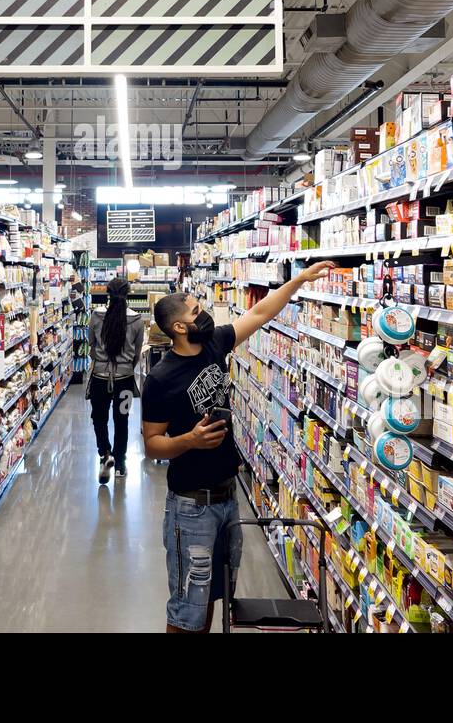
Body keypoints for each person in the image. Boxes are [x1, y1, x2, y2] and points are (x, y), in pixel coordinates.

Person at [141, 260, 336, 633]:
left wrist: (299, 279)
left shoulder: (214, 343)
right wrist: (190, 440)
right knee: (187, 605)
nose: (206, 313)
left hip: (228, 499)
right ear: (180, 327)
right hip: (191, 505)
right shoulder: (160, 379)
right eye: (197, 311)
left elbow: (261, 311)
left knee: (214, 594)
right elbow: (152, 444)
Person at [86, 276, 145, 483]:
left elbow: (90, 345)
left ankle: (105, 454)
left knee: (99, 418)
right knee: (122, 420)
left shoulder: (96, 315)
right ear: (128, 294)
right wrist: (126, 365)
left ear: (107, 294)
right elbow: (137, 353)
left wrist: (100, 359)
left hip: (100, 378)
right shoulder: (137, 320)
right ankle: (120, 463)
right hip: (125, 379)